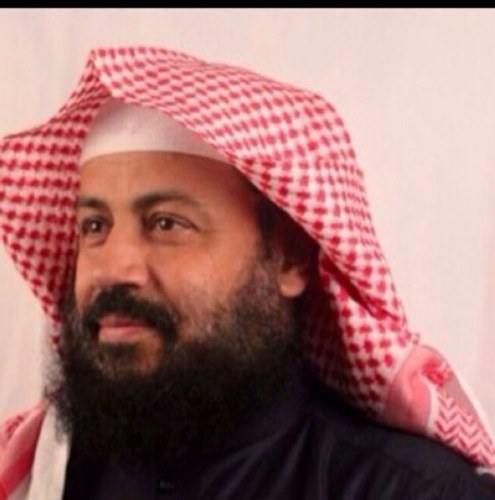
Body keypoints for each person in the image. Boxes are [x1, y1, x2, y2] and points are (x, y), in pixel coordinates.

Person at [0, 46, 494, 499]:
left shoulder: (412, 491)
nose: (111, 268)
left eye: (166, 223)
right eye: (94, 226)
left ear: (288, 258)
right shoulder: (46, 474)